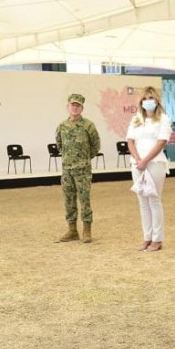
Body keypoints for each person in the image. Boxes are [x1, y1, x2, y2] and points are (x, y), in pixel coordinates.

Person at [127, 86, 173, 252]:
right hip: (137, 164)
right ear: (141, 101)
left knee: (154, 200)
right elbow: (130, 141)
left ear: (157, 101)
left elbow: (161, 142)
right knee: (142, 202)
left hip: (155, 163)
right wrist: (138, 160)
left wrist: (146, 160)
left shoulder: (164, 119)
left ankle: (157, 239)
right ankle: (147, 237)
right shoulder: (136, 119)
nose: (148, 101)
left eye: (151, 98)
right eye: (145, 98)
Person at [55, 93, 101, 243]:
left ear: (82, 108)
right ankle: (72, 230)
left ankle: (87, 230)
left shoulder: (88, 125)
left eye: (78, 105)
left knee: (84, 199)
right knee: (68, 199)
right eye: (72, 105)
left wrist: (84, 159)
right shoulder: (62, 126)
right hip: (67, 169)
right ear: (68, 107)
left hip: (83, 170)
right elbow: (59, 145)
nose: (75, 107)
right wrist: (69, 159)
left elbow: (95, 145)